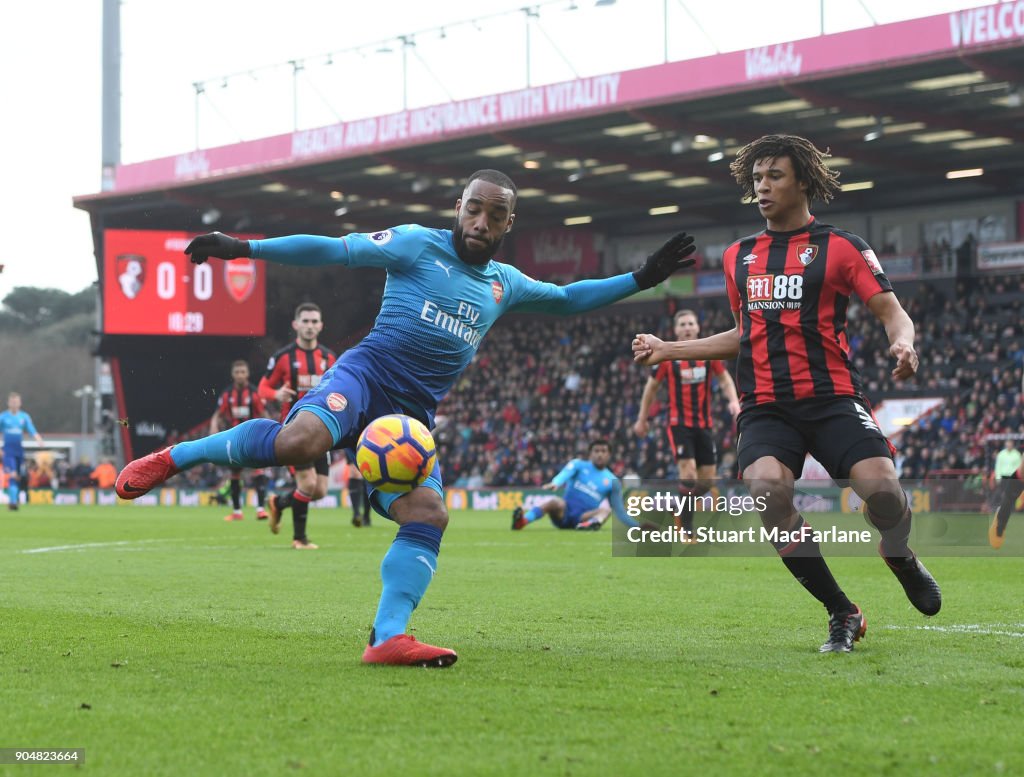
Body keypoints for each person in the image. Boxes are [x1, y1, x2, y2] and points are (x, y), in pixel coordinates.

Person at [116, 168, 696, 667]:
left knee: (429, 513)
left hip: (411, 418)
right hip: (365, 376)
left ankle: (387, 637)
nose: (482, 222)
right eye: (474, 209)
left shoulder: (506, 284)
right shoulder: (416, 244)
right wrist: (245, 248)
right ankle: (174, 457)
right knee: (300, 442)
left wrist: (641, 278)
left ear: (508, 224)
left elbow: (568, 299)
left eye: (496, 216)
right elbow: (334, 249)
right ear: (458, 208)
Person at [633, 135, 941, 653]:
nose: (762, 187)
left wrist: (904, 343)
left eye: (774, 176)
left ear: (803, 181)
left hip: (833, 398)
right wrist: (668, 350)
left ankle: (898, 551)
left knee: (884, 493)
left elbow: (892, 312)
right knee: (767, 490)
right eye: (757, 178)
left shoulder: (841, 247)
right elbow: (744, 334)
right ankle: (842, 611)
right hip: (766, 406)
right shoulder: (739, 256)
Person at [632, 309, 740, 539]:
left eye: (691, 323)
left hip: (704, 424)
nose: (687, 327)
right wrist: (642, 419)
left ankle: (679, 506)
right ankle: (686, 530)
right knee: (688, 474)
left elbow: (724, 379)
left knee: (707, 481)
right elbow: (651, 389)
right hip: (679, 424)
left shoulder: (708, 355)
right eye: (683, 324)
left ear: (698, 327)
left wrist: (733, 401)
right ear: (675, 330)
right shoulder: (667, 358)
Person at [258, 303, 338, 549]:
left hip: (321, 430)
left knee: (320, 490)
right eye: (305, 321)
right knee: (307, 484)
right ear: (296, 324)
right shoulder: (283, 357)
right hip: (294, 430)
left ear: (321, 326)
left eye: (314, 321)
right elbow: (263, 388)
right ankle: (299, 539)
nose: (310, 326)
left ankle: (279, 503)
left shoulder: (328, 358)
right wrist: (276, 394)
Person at [511, 439, 639, 531]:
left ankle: (590, 525)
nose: (600, 454)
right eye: (596, 451)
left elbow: (619, 511)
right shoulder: (578, 465)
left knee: (606, 510)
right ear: (590, 453)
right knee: (555, 502)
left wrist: (638, 527)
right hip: (564, 513)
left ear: (609, 455)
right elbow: (564, 474)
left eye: (603, 451)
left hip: (583, 517)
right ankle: (523, 521)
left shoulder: (612, 481)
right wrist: (556, 482)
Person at [210, 360, 271, 523]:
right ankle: (237, 511)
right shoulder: (227, 394)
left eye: (243, 372)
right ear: (233, 374)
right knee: (235, 474)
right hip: (234, 439)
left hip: (253, 438)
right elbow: (218, 414)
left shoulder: (254, 393)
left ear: (247, 374)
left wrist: (269, 431)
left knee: (258, 471)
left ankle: (260, 509)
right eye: (237, 372)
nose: (240, 375)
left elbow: (264, 413)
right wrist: (214, 428)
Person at [1, 392, 44, 511]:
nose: (14, 404)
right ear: (8, 403)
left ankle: (14, 500)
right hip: (8, 451)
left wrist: (38, 439)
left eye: (16, 401)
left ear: (20, 403)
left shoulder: (24, 417)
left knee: (18, 476)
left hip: (19, 450)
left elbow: (31, 429)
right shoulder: (3, 417)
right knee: (13, 474)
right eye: (12, 401)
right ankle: (13, 502)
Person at [989, 437, 1023, 549]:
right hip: (1011, 477)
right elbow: (998, 466)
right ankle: (1000, 524)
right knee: (1007, 499)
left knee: (1010, 499)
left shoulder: (1016, 454)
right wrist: (998, 477)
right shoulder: (1001, 454)